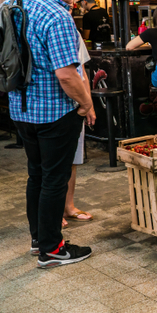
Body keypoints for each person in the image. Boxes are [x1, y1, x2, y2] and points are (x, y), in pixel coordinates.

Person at [11, 0, 95, 269]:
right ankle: (52, 250)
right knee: (55, 180)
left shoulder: (16, 5)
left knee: (37, 175)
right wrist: (85, 104)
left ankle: (39, 240)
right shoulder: (57, 16)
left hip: (21, 109)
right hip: (54, 112)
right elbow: (66, 74)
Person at [64, 34, 93, 227]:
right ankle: (53, 212)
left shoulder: (72, 30)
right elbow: (65, 75)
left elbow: (81, 70)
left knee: (73, 160)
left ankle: (69, 206)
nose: (74, 1)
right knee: (53, 165)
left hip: (76, 105)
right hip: (54, 108)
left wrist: (88, 103)